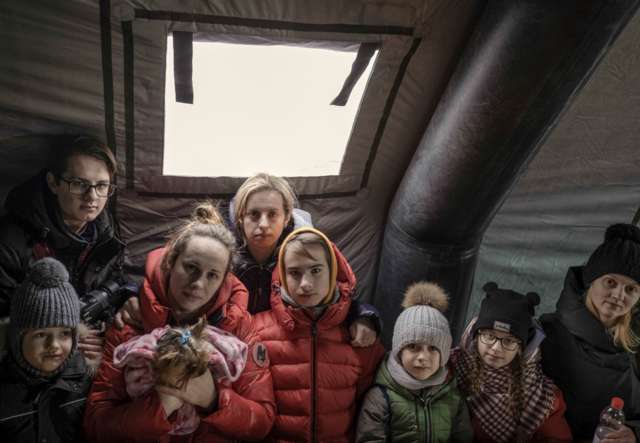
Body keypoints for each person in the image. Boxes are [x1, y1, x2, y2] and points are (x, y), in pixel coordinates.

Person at [82, 202, 276, 443]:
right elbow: (96, 425)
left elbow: (262, 422)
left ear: (224, 279)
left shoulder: (238, 326)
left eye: (212, 275)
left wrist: (214, 400)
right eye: (191, 268)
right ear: (171, 263)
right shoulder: (129, 323)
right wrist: (160, 406)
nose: (198, 283)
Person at [0, 135, 132, 360]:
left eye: (101, 186)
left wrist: (106, 335)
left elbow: (114, 292)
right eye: (79, 184)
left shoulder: (109, 235)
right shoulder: (11, 242)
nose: (92, 197)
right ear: (53, 183)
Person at [254, 227, 387, 442]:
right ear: (283, 275)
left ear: (332, 271)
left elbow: (372, 413)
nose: (305, 284)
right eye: (295, 273)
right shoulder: (256, 332)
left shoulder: (362, 338)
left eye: (316, 270)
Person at [230, 172, 381, 347]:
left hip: (284, 347)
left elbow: (333, 298)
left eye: (272, 214)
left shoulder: (307, 251)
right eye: (254, 214)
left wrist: (361, 314)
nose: (263, 224)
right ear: (240, 217)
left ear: (286, 217)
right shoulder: (224, 256)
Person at [540, 223, 640, 442]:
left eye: (631, 289)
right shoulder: (545, 334)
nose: (618, 295)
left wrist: (634, 433)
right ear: (590, 281)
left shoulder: (635, 344)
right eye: (610, 282)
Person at [450, 282, 572, 443]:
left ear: (521, 349)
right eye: (490, 336)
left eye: (509, 341)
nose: (496, 348)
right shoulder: (449, 369)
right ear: (476, 336)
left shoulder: (544, 398)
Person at [356, 281, 474, 443]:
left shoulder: (454, 398)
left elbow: (464, 438)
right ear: (398, 349)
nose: (423, 357)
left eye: (433, 348)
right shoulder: (380, 398)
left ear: (444, 355)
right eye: (413, 346)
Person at [0, 257, 92, 442]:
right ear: (17, 337)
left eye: (64, 333)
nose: (54, 345)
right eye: (41, 334)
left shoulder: (86, 379)